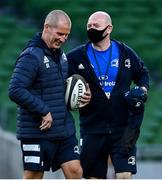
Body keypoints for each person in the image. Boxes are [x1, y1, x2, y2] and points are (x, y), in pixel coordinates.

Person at [67, 11, 149, 179]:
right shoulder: (75, 57)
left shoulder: (125, 53)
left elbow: (142, 73)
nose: (91, 29)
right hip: (92, 128)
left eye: (95, 26)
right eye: (89, 26)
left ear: (108, 28)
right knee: (94, 178)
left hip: (123, 128)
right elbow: (63, 84)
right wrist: (74, 100)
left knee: (125, 175)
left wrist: (142, 90)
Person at [8, 10, 85, 179]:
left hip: (63, 130)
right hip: (36, 132)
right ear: (46, 27)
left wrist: (83, 96)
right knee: (34, 176)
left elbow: (61, 88)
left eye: (66, 35)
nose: (63, 39)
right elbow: (15, 90)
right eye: (60, 33)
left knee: (75, 171)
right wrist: (43, 110)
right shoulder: (31, 56)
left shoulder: (62, 56)